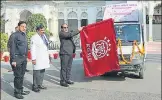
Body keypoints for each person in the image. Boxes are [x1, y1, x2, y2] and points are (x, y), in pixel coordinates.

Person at [9, 21, 30, 99]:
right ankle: (17, 93)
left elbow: (25, 47)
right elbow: (12, 48)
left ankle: (21, 90)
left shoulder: (24, 35)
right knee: (18, 76)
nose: (24, 28)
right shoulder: (14, 35)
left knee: (22, 75)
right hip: (17, 58)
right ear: (18, 27)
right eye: (22, 26)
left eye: (25, 26)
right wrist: (13, 60)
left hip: (23, 58)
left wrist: (26, 57)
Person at [30, 24, 51, 92]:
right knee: (37, 72)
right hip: (38, 58)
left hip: (44, 57)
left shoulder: (44, 36)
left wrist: (49, 55)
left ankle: (40, 84)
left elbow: (46, 46)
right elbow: (32, 49)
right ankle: (35, 86)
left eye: (43, 30)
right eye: (41, 30)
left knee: (42, 71)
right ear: (37, 30)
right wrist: (33, 59)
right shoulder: (34, 37)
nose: (43, 31)